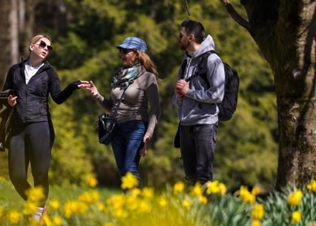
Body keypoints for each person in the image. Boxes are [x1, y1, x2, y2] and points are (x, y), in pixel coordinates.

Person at [0, 34, 87, 221]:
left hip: (40, 126)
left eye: (49, 47)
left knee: (40, 173)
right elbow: (6, 96)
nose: (46, 48)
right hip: (17, 128)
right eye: (42, 44)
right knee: (17, 176)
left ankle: (37, 214)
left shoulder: (49, 73)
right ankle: (37, 205)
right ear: (31, 46)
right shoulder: (15, 70)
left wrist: (72, 87)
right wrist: (9, 101)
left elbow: (58, 98)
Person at [84, 36, 160, 186]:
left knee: (130, 168)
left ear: (137, 54)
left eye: (126, 51)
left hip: (136, 127)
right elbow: (113, 106)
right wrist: (97, 95)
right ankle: (131, 206)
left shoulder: (147, 77)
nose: (122, 54)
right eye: (121, 51)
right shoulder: (119, 76)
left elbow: (156, 109)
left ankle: (137, 206)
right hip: (116, 128)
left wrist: (149, 133)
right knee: (123, 173)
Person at [172, 20, 225, 185]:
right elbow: (177, 99)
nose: (178, 38)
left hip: (205, 123)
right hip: (185, 124)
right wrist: (180, 95)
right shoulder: (185, 62)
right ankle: (194, 210)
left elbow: (218, 95)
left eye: (181, 35)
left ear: (191, 37)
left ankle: (207, 209)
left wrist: (189, 92)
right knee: (190, 174)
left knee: (203, 175)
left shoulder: (213, 60)